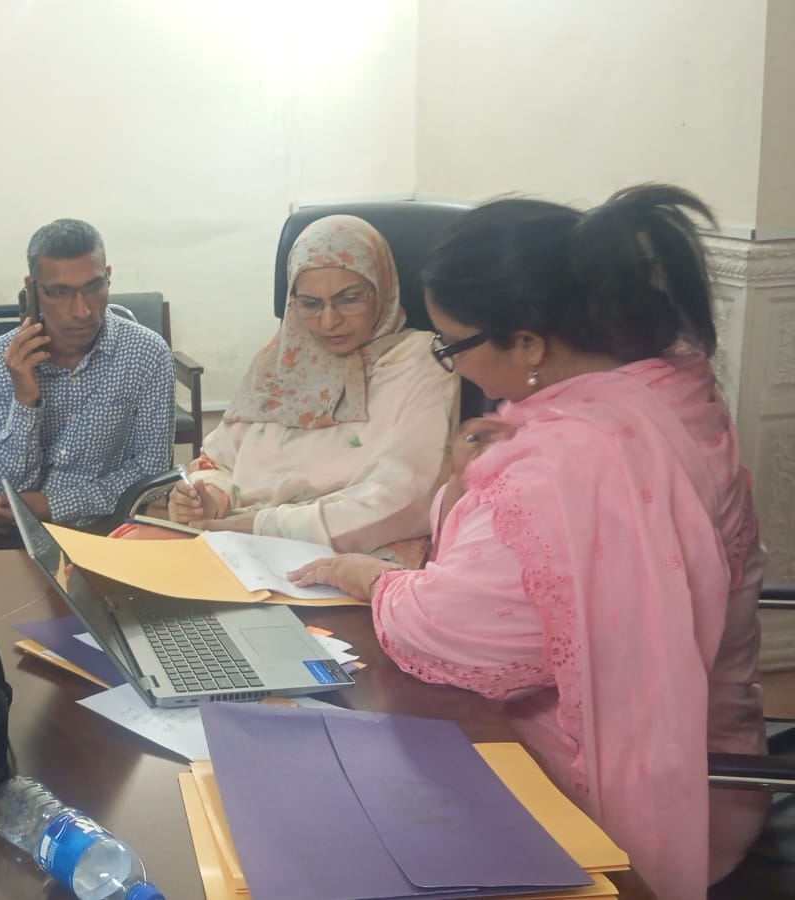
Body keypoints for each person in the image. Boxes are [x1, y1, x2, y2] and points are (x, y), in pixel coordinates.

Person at [286, 185, 766, 898]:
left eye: (453, 345)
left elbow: (449, 633)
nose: (453, 363)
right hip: (712, 747)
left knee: (342, 809)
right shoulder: (666, 383)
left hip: (634, 789)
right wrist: (466, 481)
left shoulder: (568, 460)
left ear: (530, 343)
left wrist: (369, 578)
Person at [167, 215, 458, 557]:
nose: (329, 321)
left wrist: (262, 526)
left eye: (350, 299)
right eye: (310, 304)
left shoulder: (422, 362)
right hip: (239, 546)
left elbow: (408, 497)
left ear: (383, 290)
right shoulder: (282, 361)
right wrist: (208, 497)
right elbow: (220, 462)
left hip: (354, 559)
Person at [0, 218, 174, 551]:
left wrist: (55, 504)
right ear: (32, 288)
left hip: (105, 523)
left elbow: (150, 473)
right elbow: (0, 489)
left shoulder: (147, 353)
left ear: (108, 275)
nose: (82, 311)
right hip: (9, 525)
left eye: (94, 287)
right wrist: (25, 400)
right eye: (60, 292)